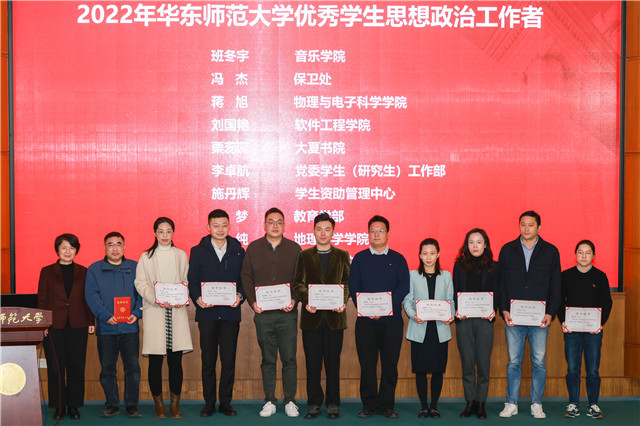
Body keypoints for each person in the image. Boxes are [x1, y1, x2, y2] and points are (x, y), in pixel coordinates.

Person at [498, 210, 561, 419]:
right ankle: (511, 403)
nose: (526, 228)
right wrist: (504, 308)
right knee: (513, 362)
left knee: (539, 362)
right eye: (523, 224)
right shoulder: (507, 250)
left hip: (540, 318)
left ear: (539, 228)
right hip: (513, 317)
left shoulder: (550, 251)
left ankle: (536, 403)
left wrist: (551, 312)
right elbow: (501, 283)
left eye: (531, 225)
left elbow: (556, 285)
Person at [241, 207, 302, 418]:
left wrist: (294, 299)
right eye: (271, 222)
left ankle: (290, 400)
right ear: (264, 224)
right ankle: (269, 400)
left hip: (287, 314)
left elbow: (301, 278)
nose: (275, 226)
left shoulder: (294, 248)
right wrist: (253, 302)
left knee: (289, 359)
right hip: (264, 315)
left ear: (284, 225)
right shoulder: (254, 248)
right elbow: (246, 277)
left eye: (279, 222)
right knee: (268, 360)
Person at [349, 215, 410, 419]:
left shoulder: (398, 259)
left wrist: (385, 308)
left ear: (387, 234)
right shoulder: (359, 258)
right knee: (367, 365)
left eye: (380, 231)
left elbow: (404, 287)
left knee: (390, 365)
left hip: (391, 321)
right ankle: (369, 405)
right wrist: (367, 309)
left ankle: (387, 405)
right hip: (365, 322)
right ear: (368, 234)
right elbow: (353, 286)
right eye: (373, 231)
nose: (376, 234)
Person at [188, 209, 245, 417]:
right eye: (216, 225)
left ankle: (225, 403)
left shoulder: (239, 251)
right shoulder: (198, 251)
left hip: (230, 314)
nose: (220, 229)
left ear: (229, 226)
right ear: (208, 227)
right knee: (208, 362)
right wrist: (197, 298)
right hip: (207, 315)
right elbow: (193, 281)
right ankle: (209, 403)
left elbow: (244, 280)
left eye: (224, 225)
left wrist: (240, 295)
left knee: (228, 362)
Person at [293, 212, 350, 419]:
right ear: (313, 231)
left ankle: (333, 403)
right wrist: (308, 300)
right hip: (312, 319)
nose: (323, 233)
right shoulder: (304, 255)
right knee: (313, 364)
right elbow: (298, 284)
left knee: (333, 364)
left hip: (335, 319)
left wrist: (342, 300)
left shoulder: (343, 255)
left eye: (327, 229)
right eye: (319, 229)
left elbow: (347, 283)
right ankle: (314, 403)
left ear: (333, 231)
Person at [134, 217, 193, 419]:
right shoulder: (146, 257)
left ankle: (175, 406)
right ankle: (159, 406)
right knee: (155, 362)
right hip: (155, 312)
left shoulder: (181, 255)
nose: (165, 235)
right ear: (154, 233)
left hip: (176, 313)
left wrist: (181, 296)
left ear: (173, 233)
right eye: (161, 231)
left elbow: (186, 281)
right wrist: (155, 299)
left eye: (168, 231)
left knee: (176, 362)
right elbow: (140, 283)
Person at [85, 231, 143, 418]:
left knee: (132, 368)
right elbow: (91, 296)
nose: (115, 248)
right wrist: (105, 316)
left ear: (124, 247)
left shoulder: (135, 267)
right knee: (107, 369)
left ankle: (132, 405)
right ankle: (112, 404)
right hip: (106, 328)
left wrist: (136, 313)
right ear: (104, 248)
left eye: (118, 244)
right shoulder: (94, 269)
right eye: (110, 244)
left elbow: (142, 293)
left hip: (130, 328)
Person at [37, 233, 95, 420]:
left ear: (76, 250)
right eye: (64, 247)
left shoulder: (84, 271)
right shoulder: (47, 271)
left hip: (78, 325)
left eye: (71, 247)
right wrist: (43, 323)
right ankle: (59, 406)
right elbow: (42, 299)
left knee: (76, 367)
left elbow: (88, 298)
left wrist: (90, 321)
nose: (68, 251)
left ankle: (74, 406)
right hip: (54, 326)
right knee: (56, 368)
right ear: (57, 250)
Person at [558, 240, 613, 419]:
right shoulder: (566, 275)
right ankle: (573, 403)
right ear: (575, 254)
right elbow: (559, 301)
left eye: (588, 252)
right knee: (572, 369)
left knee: (593, 370)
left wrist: (600, 323)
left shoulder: (600, 276)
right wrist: (563, 321)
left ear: (593, 256)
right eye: (580, 252)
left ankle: (593, 404)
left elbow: (607, 302)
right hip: (572, 331)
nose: (583, 256)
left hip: (593, 332)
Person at [403, 238, 455, 418]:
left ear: (438, 254)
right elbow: (408, 300)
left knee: (438, 369)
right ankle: (424, 406)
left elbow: (450, 300)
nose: (428, 257)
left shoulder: (446, 276)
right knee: (420, 369)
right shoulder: (412, 275)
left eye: (432, 253)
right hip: (420, 327)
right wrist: (413, 315)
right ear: (419, 255)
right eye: (425, 253)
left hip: (439, 329)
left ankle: (434, 406)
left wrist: (450, 315)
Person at [452, 228, 499, 419]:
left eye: (479, 242)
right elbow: (455, 291)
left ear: (485, 244)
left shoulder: (494, 266)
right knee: (468, 363)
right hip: (464, 321)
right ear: (466, 245)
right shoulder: (459, 266)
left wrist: (494, 309)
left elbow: (498, 291)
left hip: (484, 321)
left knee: (484, 364)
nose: (475, 246)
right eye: (471, 242)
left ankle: (481, 403)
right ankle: (470, 401)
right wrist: (457, 309)